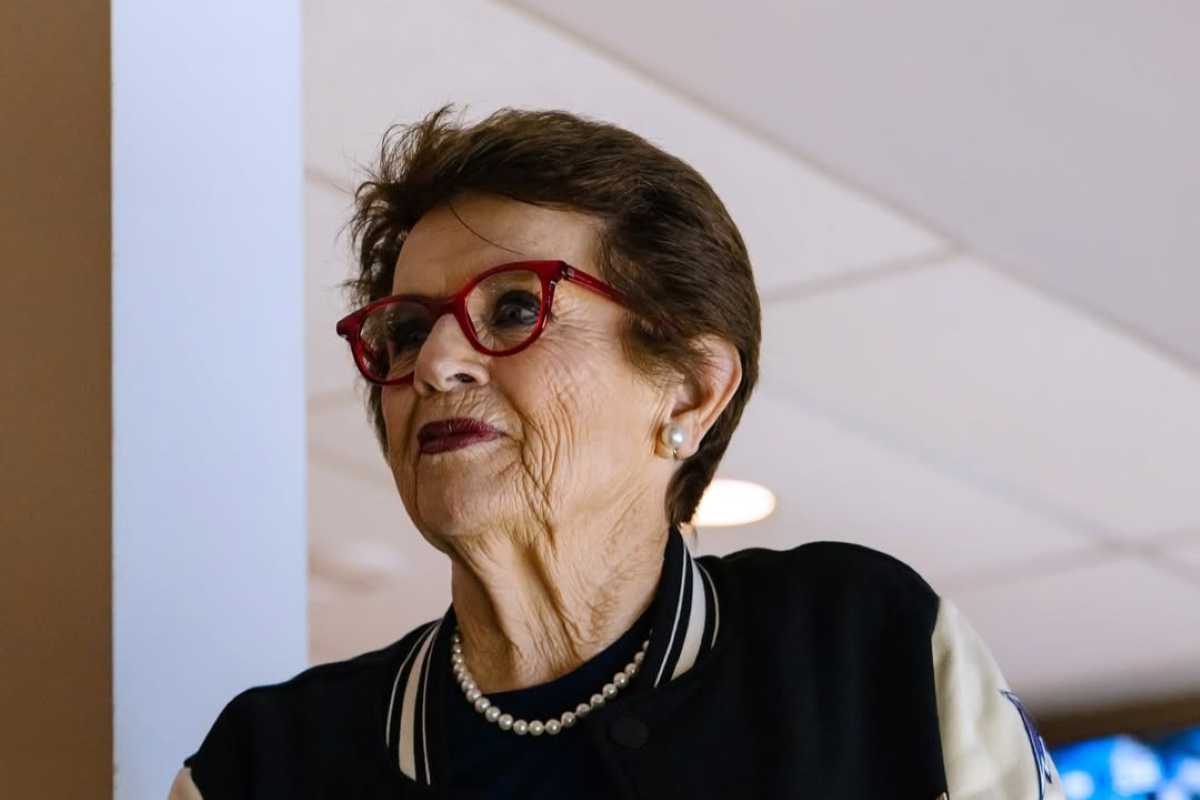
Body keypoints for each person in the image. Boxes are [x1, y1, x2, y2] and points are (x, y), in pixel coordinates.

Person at [170, 107, 1063, 799]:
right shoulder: (268, 765)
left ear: (690, 391)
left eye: (514, 309)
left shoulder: (855, 649)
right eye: (406, 331)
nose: (437, 364)